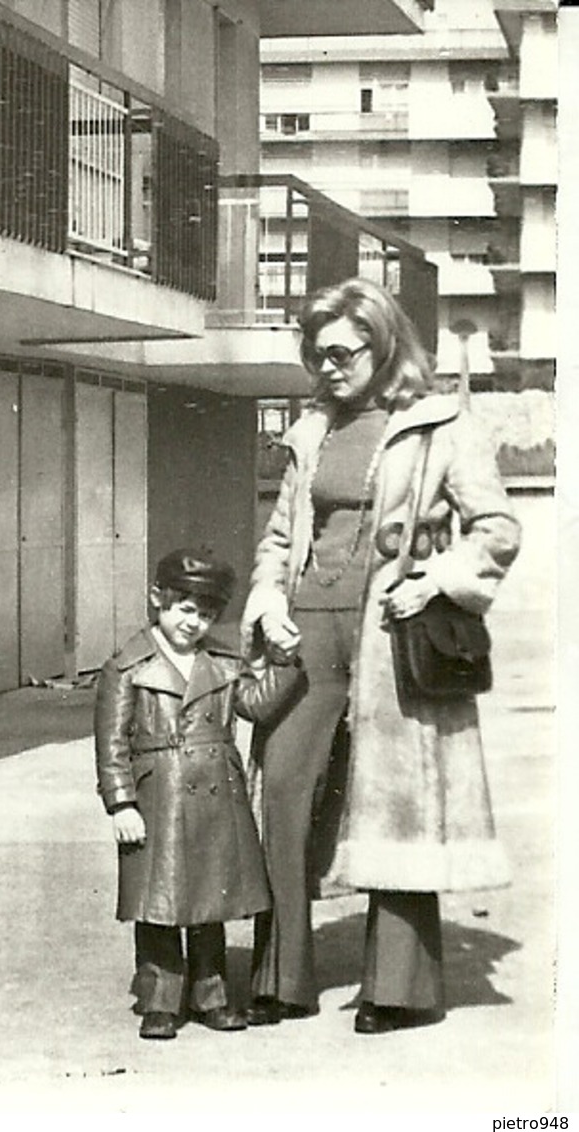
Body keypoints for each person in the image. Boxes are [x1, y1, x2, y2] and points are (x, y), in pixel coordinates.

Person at [241, 277, 520, 1034]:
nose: (326, 367)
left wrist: (435, 581)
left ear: (382, 343)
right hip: (305, 636)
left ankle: (398, 988)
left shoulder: (441, 425)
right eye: (315, 354)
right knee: (285, 798)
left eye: (340, 352)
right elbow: (279, 538)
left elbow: (496, 530)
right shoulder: (312, 430)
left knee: (394, 805)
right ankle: (282, 978)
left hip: (391, 636)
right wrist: (267, 599)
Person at [95, 548, 302, 1040]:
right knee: (161, 901)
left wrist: (285, 661)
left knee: (210, 898)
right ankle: (160, 999)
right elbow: (111, 742)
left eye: (206, 613)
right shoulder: (128, 666)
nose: (194, 623)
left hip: (216, 794)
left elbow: (256, 704)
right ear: (157, 601)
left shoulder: (223, 662)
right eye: (185, 609)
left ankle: (212, 994)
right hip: (158, 796)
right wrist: (122, 802)